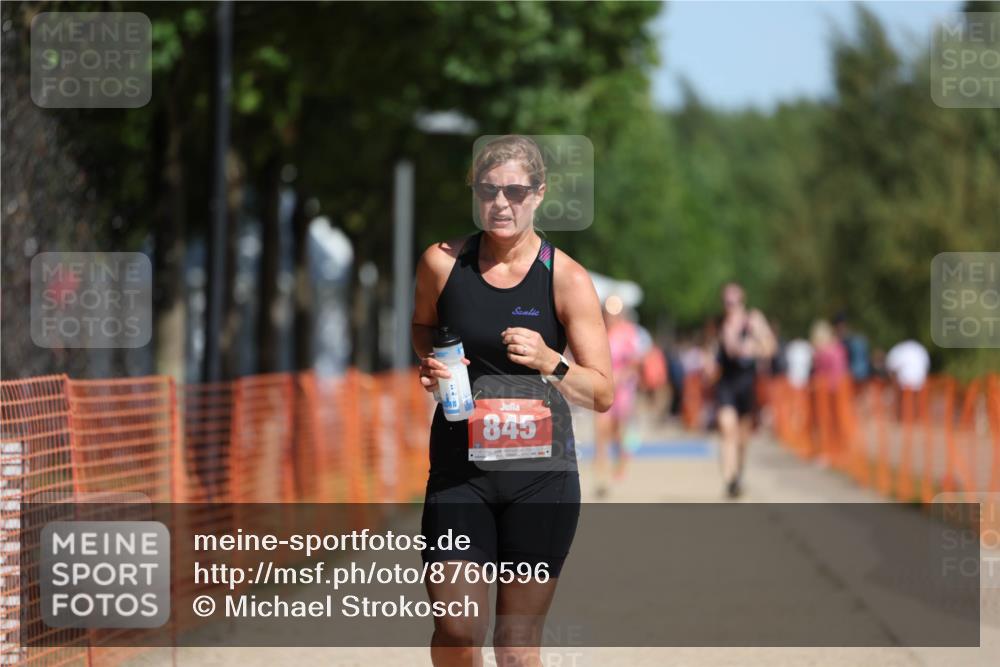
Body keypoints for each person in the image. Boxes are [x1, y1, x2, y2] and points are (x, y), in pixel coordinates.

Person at [411, 135, 614, 667]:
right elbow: (423, 326)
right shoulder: (441, 263)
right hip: (461, 474)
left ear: (539, 194)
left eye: (515, 191)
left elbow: (603, 392)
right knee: (456, 630)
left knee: (516, 647)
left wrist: (552, 361)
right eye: (488, 190)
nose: (501, 203)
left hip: (540, 480)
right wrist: (431, 362)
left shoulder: (566, 278)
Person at [713, 283, 776, 498]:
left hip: (747, 383)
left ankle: (739, 473)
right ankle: (729, 478)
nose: (730, 306)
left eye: (734, 302)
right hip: (726, 383)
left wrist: (753, 349)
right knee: (726, 428)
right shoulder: (722, 325)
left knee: (742, 437)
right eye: (726, 302)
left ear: (742, 301)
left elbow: (770, 347)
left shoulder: (753, 320)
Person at [594, 296, 644, 497]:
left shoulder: (628, 333)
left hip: (623, 389)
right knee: (601, 431)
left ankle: (621, 462)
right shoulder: (599, 332)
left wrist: (620, 378)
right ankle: (602, 477)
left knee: (618, 432)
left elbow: (634, 362)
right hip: (603, 387)